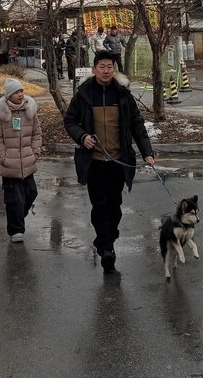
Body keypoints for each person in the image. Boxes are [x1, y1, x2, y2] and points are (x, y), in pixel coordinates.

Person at [63, 50, 155, 274]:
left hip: (118, 161)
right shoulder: (84, 94)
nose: (106, 71)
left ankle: (109, 238)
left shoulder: (123, 94)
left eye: (109, 67)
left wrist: (147, 152)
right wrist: (82, 137)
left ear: (114, 69)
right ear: (94, 69)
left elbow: (137, 125)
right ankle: (106, 248)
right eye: (102, 66)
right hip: (94, 162)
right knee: (99, 205)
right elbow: (70, 121)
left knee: (114, 206)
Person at [0, 77, 42, 243]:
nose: (20, 94)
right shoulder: (1, 114)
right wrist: (3, 158)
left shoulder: (30, 111)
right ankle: (16, 230)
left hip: (28, 162)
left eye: (21, 91)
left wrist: (35, 153)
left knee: (31, 193)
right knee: (14, 200)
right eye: (16, 92)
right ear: (8, 95)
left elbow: (37, 133)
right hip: (10, 165)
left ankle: (18, 217)